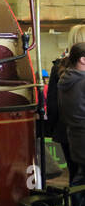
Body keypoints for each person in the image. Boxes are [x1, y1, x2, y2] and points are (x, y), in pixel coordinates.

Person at [55, 41, 85, 206]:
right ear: (82, 60)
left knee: (80, 188)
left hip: (76, 140)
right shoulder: (82, 82)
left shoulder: (66, 80)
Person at [43, 24, 85, 177]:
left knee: (74, 175)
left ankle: (76, 201)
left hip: (64, 129)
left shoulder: (58, 67)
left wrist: (53, 127)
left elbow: (53, 103)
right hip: (79, 130)